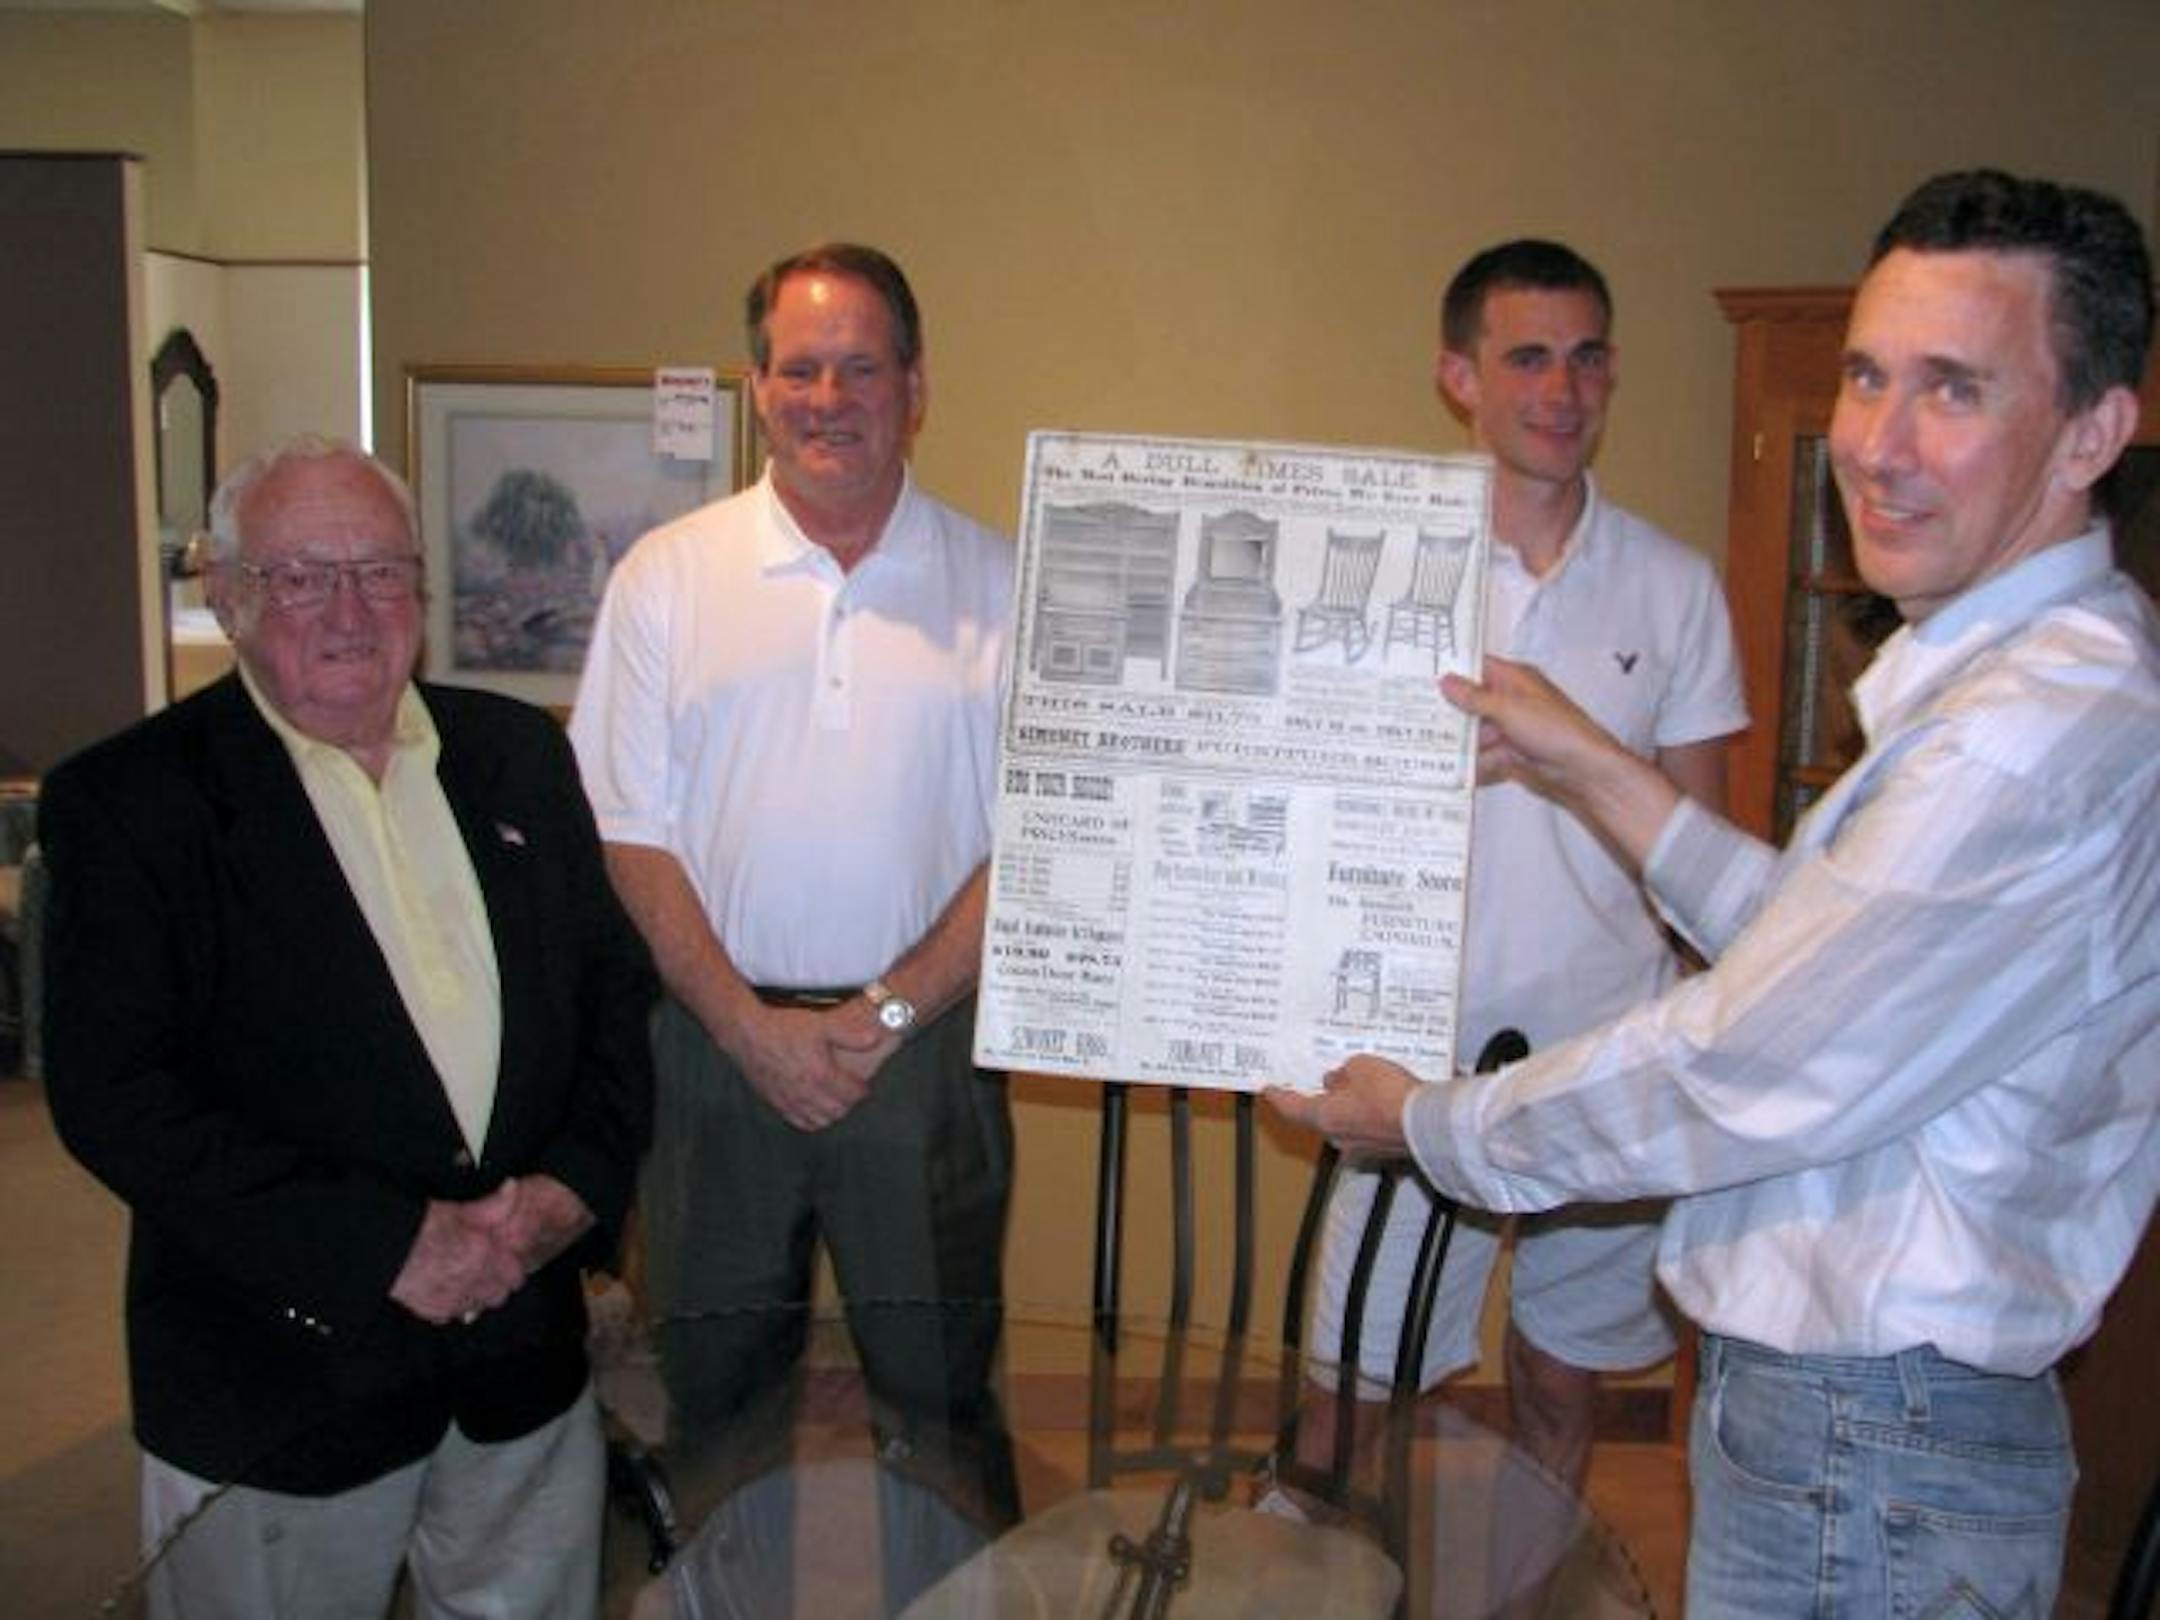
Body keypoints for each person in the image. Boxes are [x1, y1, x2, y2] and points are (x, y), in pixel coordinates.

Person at [1273, 168, 2160, 1618]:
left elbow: (1750, 1054)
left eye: (1954, 389)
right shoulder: (2017, 687)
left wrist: (1422, 1123)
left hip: (1874, 1440)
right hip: (1858, 1429)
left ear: (2093, 431)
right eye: (1868, 377)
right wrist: (1595, 765)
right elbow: (1822, 958)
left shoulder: (2022, 745)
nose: (1875, 445)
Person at [40, 437, 657, 1619]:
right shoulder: (130, 802)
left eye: (379, 572)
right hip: (279, 1382)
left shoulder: (517, 757)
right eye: (299, 576)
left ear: (420, 592)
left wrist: (575, 1189)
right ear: (227, 594)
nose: (347, 610)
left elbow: (610, 1005)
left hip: (520, 1363)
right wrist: (384, 1246)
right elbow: (115, 1095)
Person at [569, 243, 1019, 1566]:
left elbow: (1036, 836)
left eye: (861, 367)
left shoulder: (1003, 582)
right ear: (758, 386)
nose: (831, 396)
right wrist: (752, 1026)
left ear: (916, 386)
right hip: (714, 1053)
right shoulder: (668, 575)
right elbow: (628, 832)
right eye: (801, 367)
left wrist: (881, 1013)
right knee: (714, 1404)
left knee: (939, 1406)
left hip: (925, 1055)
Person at [1302, 240, 1744, 1505]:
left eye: (1589, 355)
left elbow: (1699, 856)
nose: (1562, 388)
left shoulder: (1675, 587)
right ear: (1460, 377)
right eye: (1528, 356)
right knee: (1348, 1396)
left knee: (1560, 1386)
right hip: (1408, 1062)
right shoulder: (1376, 564)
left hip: (1602, 1056)